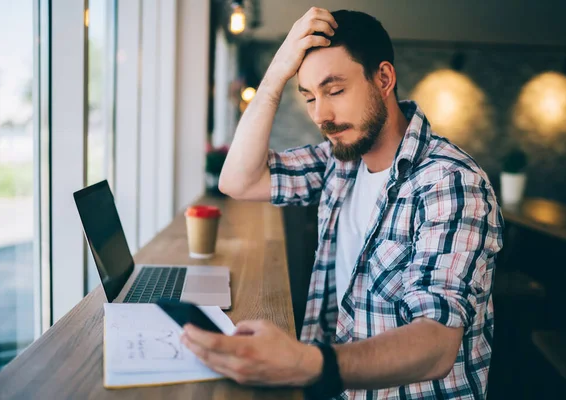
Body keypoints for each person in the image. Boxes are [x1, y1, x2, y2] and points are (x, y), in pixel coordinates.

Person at [181, 8, 503, 399]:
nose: (322, 115)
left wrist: (305, 363)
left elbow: (436, 344)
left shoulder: (450, 183)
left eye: (335, 91)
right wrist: (275, 76)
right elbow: (238, 180)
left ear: (383, 78)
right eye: (309, 97)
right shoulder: (340, 161)